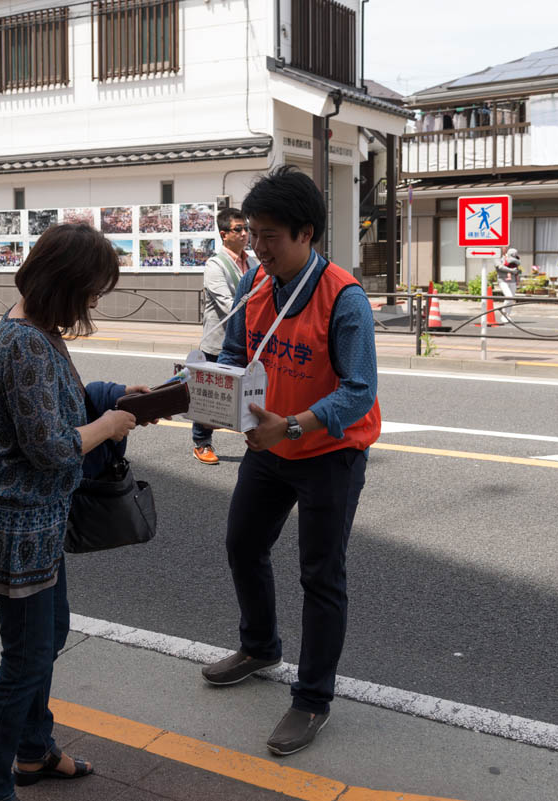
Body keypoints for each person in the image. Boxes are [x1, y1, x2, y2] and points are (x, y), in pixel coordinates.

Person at [201, 166, 380, 756]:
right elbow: (235, 353)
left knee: (320, 574)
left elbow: (359, 391)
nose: (257, 245)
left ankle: (312, 698)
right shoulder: (257, 285)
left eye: (270, 235)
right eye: (252, 233)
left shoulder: (344, 298)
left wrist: (296, 424)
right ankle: (260, 646)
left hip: (327, 451)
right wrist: (208, 393)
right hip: (269, 443)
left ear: (307, 234)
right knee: (243, 544)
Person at [0, 223, 147, 801]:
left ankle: (33, 751)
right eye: (91, 292)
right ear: (65, 284)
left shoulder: (36, 330)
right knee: (23, 660)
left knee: (50, 636)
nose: (93, 303)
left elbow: (60, 403)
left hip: (40, 522)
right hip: (19, 523)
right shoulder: (25, 341)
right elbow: (49, 444)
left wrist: (115, 398)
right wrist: (109, 425)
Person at [192, 207, 256, 465]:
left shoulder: (252, 261)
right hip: (218, 342)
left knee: (251, 391)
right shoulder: (215, 265)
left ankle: (257, 440)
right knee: (209, 395)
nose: (244, 234)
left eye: (246, 229)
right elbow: (230, 305)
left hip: (247, 341)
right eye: (238, 229)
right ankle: (201, 442)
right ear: (223, 234)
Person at [495, 247, 521, 323]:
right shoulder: (498, 259)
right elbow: (500, 267)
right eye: (503, 249)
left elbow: (517, 268)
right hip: (503, 280)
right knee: (508, 296)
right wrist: (511, 270)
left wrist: (517, 277)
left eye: (506, 248)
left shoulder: (513, 258)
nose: (504, 250)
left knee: (511, 299)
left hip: (513, 280)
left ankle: (507, 315)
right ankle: (503, 313)